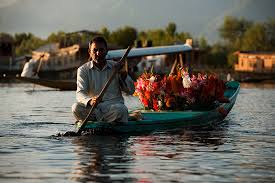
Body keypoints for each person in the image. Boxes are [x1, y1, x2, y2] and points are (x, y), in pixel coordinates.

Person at [71, 36, 135, 123]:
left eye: (101, 50)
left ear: (106, 51)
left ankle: (102, 121)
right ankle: (105, 120)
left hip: (113, 108)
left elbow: (131, 91)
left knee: (121, 110)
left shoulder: (116, 67)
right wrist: (90, 101)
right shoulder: (83, 70)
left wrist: (123, 74)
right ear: (90, 52)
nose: (98, 53)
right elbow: (80, 93)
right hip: (94, 109)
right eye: (95, 50)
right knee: (76, 108)